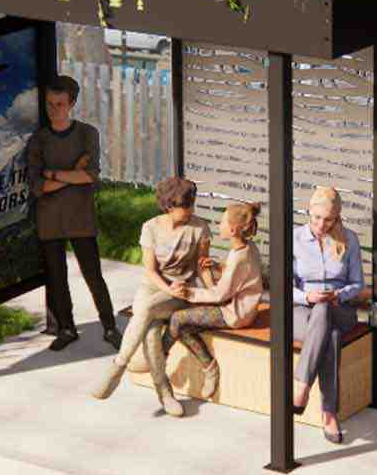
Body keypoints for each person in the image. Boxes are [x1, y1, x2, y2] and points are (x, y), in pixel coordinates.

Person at [90, 175, 210, 415]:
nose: (190, 210)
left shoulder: (200, 228)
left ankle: (118, 366)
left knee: (144, 310)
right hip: (154, 288)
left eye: (192, 204)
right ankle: (165, 393)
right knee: (152, 331)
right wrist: (167, 288)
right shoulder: (151, 228)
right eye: (185, 206)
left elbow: (201, 266)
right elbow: (150, 270)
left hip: (181, 292)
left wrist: (212, 292)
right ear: (168, 206)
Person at [25, 75, 121, 352]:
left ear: (72, 104)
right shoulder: (38, 140)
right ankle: (67, 328)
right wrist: (72, 173)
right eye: (50, 104)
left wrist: (53, 173)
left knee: (93, 275)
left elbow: (91, 176)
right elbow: (37, 186)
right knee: (57, 278)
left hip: (81, 218)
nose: (54, 110)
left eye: (60, 104)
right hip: (50, 220)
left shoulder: (87, 134)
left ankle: (110, 326)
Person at [165, 201, 267, 396]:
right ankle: (205, 365)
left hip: (234, 313)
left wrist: (189, 292)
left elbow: (220, 294)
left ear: (233, 229)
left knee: (177, 319)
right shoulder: (246, 247)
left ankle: (163, 360)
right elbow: (240, 277)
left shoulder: (239, 256)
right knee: (183, 327)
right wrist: (218, 267)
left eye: (222, 222)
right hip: (238, 306)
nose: (218, 226)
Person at [290, 185, 364, 445]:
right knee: (329, 335)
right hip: (301, 311)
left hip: (340, 309)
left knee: (326, 311)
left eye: (329, 219)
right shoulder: (294, 238)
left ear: (337, 217)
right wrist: (307, 297)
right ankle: (329, 413)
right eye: (317, 217)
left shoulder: (349, 240)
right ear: (308, 212)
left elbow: (358, 284)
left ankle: (301, 385)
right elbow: (282, 287)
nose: (322, 224)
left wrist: (338, 295)